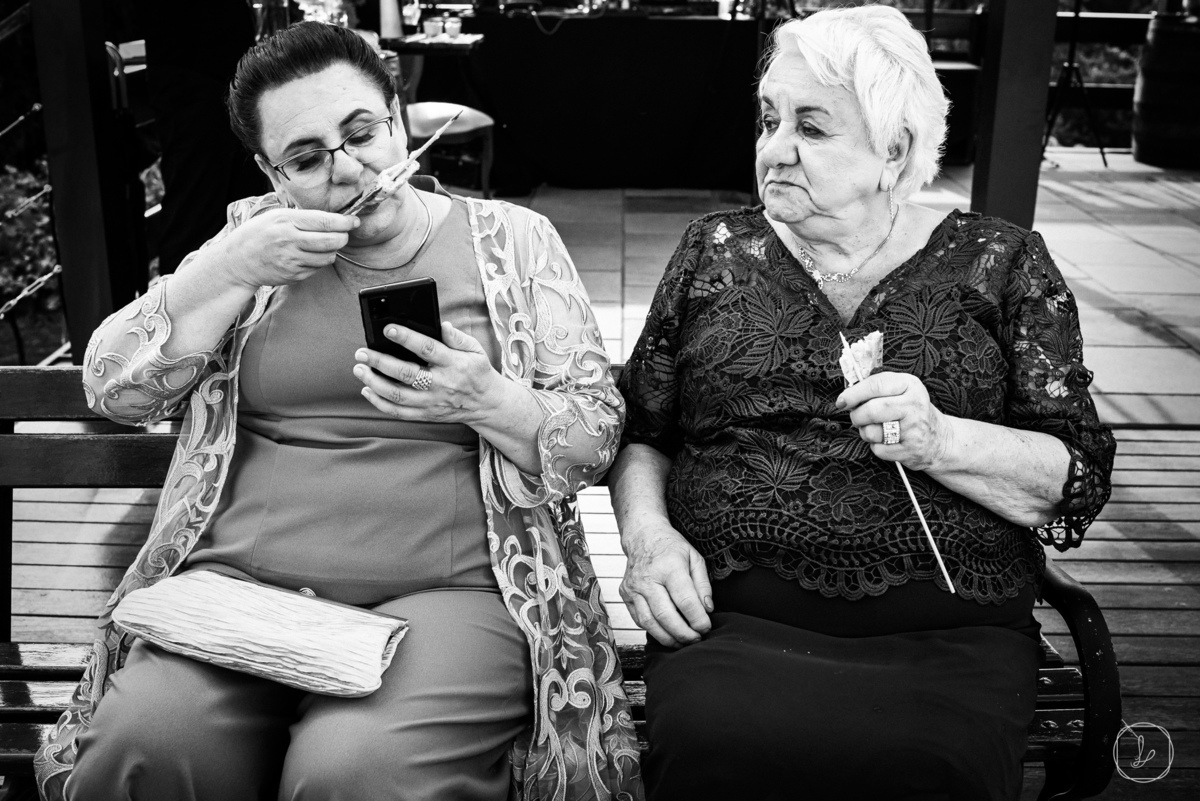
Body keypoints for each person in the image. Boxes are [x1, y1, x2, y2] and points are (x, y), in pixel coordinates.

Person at [36, 22, 641, 801]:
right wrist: (220, 271)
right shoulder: (248, 249)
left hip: (449, 595)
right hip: (237, 589)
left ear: (400, 115)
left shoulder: (514, 240)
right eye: (308, 158)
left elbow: (593, 434)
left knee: (355, 773)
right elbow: (112, 391)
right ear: (269, 170)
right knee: (145, 746)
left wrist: (490, 399)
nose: (349, 169)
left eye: (362, 134)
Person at [609, 6, 1116, 801]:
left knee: (923, 767)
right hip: (733, 627)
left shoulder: (1000, 263)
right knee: (719, 747)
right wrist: (648, 539)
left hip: (948, 636)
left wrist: (942, 438)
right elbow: (644, 433)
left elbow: (1072, 473)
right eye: (770, 119)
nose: (774, 150)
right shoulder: (714, 251)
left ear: (895, 150)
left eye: (811, 128)